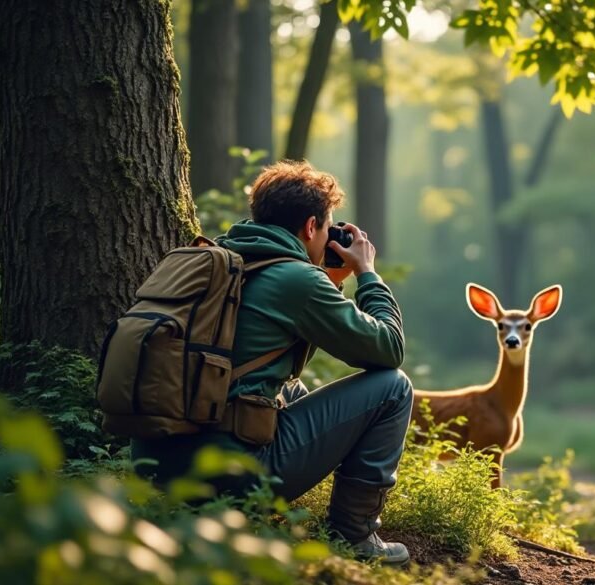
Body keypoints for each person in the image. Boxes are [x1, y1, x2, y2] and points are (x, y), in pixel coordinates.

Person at [131, 160, 413, 565]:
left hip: (155, 463)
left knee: (289, 389)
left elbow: (273, 351)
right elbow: (388, 348)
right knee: (393, 387)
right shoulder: (297, 279)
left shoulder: (219, 259)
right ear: (312, 227)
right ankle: (356, 537)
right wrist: (367, 272)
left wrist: (330, 281)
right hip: (230, 475)